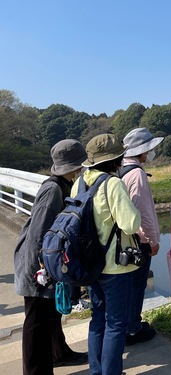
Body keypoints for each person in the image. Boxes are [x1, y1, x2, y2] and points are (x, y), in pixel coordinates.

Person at [14, 139, 89, 375]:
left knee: (51, 314)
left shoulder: (62, 185)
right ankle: (36, 371)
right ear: (75, 167)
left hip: (46, 261)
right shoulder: (53, 189)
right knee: (36, 321)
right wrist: (42, 269)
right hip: (36, 264)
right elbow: (38, 232)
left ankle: (59, 353)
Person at [76, 133, 141, 375]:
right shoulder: (112, 184)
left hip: (91, 265)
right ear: (117, 159)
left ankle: (96, 371)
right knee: (116, 324)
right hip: (114, 266)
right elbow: (131, 224)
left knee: (98, 319)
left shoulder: (80, 182)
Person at [120, 127, 164, 345]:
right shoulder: (137, 174)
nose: (150, 153)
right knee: (138, 285)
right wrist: (152, 241)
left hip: (125, 241)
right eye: (149, 149)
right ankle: (133, 329)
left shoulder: (121, 170)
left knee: (130, 285)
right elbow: (143, 213)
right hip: (139, 241)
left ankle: (131, 323)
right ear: (142, 150)